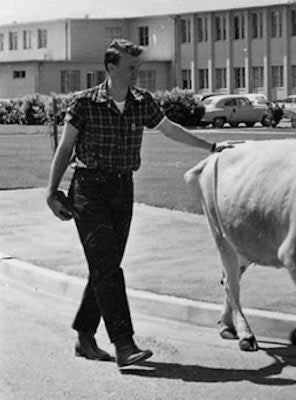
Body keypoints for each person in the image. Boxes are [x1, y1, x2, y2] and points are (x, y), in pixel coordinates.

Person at [44, 39, 239, 368]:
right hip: (89, 189)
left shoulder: (141, 102)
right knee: (107, 266)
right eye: (130, 67)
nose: (137, 72)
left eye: (137, 66)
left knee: (104, 266)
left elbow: (170, 130)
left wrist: (211, 147)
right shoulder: (84, 103)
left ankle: (85, 337)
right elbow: (65, 149)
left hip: (123, 189)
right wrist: (51, 193)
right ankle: (124, 343)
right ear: (111, 68)